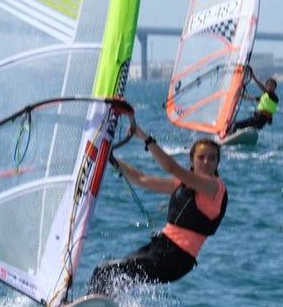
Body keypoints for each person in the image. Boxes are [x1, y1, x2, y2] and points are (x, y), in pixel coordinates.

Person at [88, 116, 227, 296]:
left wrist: (145, 138)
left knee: (107, 272)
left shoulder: (213, 187)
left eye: (212, 158)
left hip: (175, 258)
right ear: (192, 160)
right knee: (107, 275)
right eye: (202, 157)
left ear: (217, 163)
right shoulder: (183, 185)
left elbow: (171, 167)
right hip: (160, 249)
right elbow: (140, 178)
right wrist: (110, 158)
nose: (207, 162)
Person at [229, 66, 279, 131]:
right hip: (256, 119)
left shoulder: (274, 97)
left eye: (272, 86)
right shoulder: (264, 96)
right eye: (269, 85)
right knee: (234, 124)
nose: (270, 87)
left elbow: (262, 88)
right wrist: (238, 92)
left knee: (235, 125)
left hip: (260, 120)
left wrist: (253, 77)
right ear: (266, 86)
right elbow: (247, 98)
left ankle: (229, 136)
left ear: (275, 88)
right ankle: (228, 136)